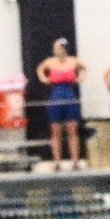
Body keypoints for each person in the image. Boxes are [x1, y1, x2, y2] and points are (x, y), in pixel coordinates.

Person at [35, 38, 86, 172]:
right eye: (56, 48)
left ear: (65, 49)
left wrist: (80, 78)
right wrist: (44, 78)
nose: (58, 50)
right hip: (56, 94)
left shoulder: (73, 61)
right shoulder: (50, 62)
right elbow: (40, 69)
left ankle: (75, 161)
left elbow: (85, 69)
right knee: (56, 130)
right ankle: (57, 161)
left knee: (72, 130)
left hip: (69, 94)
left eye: (60, 48)